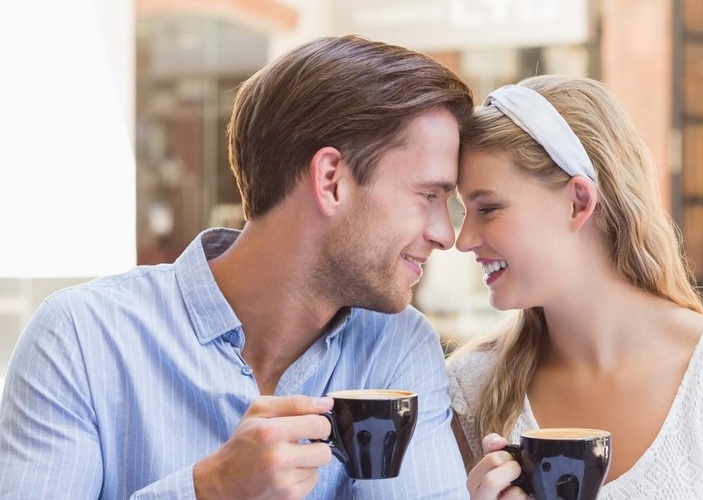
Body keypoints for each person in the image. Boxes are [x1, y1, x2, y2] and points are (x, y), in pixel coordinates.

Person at [0, 35, 473, 499]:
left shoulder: (397, 345)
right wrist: (211, 489)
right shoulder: (81, 337)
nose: (444, 234)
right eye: (428, 196)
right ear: (331, 181)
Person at [447, 75, 703, 499]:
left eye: (488, 208)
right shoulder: (472, 387)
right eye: (464, 212)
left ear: (579, 201)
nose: (464, 239)